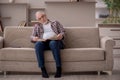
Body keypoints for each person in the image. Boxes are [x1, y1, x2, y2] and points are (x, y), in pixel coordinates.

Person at [31, 11, 65, 78]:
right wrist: (34, 38)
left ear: (45, 15)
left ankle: (59, 68)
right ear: (37, 20)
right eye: (39, 18)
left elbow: (62, 31)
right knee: (38, 45)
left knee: (53, 43)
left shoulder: (55, 22)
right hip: (44, 43)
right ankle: (43, 69)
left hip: (56, 42)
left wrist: (61, 35)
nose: (42, 19)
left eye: (43, 16)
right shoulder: (36, 26)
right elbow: (32, 36)